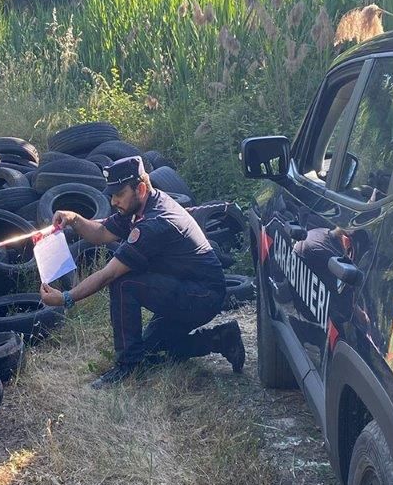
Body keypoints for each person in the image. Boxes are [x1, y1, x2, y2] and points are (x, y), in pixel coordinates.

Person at [40, 156, 245, 388]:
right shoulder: (141, 204)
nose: (114, 200)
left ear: (140, 188)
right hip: (187, 287)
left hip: (202, 295)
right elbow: (101, 233)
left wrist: (66, 298)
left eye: (119, 194)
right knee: (152, 351)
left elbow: (109, 274)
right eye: (112, 195)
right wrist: (74, 219)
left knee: (123, 283)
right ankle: (220, 339)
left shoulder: (154, 223)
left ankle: (127, 368)